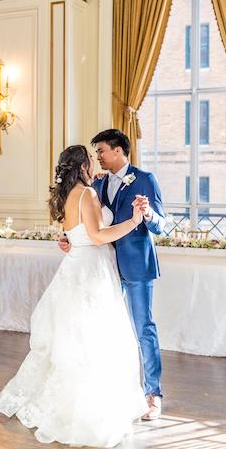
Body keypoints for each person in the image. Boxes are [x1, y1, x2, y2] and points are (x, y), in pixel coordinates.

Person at [0, 144, 148, 448]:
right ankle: (86, 409)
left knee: (73, 339)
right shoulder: (87, 194)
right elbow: (97, 236)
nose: (95, 164)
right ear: (82, 166)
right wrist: (133, 221)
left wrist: (68, 240)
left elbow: (75, 234)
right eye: (91, 160)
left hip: (74, 266)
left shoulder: (68, 194)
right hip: (90, 271)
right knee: (94, 341)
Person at [60, 129, 168, 421]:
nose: (99, 158)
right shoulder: (96, 183)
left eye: (102, 152)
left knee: (143, 329)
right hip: (104, 268)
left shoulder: (145, 179)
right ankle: (116, 393)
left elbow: (163, 226)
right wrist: (70, 237)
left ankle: (153, 394)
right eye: (95, 155)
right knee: (107, 332)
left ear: (119, 151)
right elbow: (89, 222)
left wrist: (147, 216)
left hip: (135, 267)